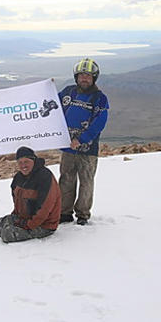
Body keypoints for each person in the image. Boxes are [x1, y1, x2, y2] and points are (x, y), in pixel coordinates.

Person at [58, 58, 109, 226]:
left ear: (94, 78)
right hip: (68, 148)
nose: (84, 79)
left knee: (86, 181)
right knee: (66, 179)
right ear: (76, 77)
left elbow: (99, 123)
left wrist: (81, 139)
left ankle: (83, 214)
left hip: (88, 149)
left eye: (88, 76)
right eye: (81, 76)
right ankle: (64, 212)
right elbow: (52, 107)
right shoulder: (68, 92)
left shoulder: (100, 98)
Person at [0, 146, 61, 243]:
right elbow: (17, 201)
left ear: (33, 160)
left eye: (26, 162)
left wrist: (28, 225)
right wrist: (16, 219)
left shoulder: (45, 177)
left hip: (43, 224)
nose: (23, 166)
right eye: (20, 162)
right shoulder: (19, 177)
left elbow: (45, 208)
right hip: (23, 218)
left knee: (7, 235)